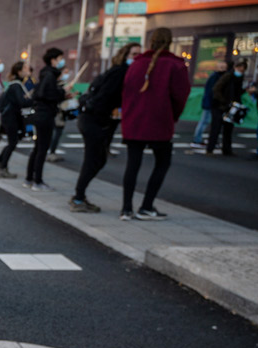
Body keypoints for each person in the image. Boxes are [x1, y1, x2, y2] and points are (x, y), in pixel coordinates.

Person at [119, 27, 189, 221]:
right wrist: (172, 116)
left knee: (132, 165)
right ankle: (147, 206)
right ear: (170, 42)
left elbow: (126, 92)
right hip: (159, 120)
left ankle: (126, 208)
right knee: (162, 162)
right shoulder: (175, 65)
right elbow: (180, 96)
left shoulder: (136, 64)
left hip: (134, 121)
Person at [70, 42, 140, 213]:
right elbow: (104, 97)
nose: (136, 58)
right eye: (134, 54)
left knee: (98, 159)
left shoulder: (117, 71)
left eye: (139, 54)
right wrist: (106, 117)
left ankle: (79, 196)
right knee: (94, 160)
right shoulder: (121, 72)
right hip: (95, 120)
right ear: (125, 55)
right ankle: (78, 198)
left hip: (94, 119)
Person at [23, 47, 69, 192]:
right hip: (45, 115)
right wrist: (62, 92)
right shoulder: (49, 75)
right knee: (42, 149)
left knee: (38, 148)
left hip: (41, 114)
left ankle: (29, 179)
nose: (62, 61)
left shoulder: (46, 74)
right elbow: (45, 94)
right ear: (53, 60)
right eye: (60, 58)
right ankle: (37, 181)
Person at [0, 60, 32, 179]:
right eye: (26, 68)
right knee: (13, 142)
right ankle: (2, 168)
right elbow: (22, 102)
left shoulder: (15, 84)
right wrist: (33, 99)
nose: (28, 70)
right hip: (11, 117)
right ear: (19, 71)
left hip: (9, 116)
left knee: (13, 141)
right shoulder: (16, 85)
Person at [206, 58, 248, 157]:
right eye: (239, 68)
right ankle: (210, 149)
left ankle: (226, 149)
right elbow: (216, 89)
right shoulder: (228, 76)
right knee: (216, 128)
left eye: (242, 70)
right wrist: (224, 101)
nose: (240, 71)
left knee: (228, 129)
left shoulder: (239, 79)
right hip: (219, 106)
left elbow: (237, 92)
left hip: (231, 107)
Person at [190, 60, 227, 149]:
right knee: (205, 121)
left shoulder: (216, 76)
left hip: (211, 103)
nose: (223, 69)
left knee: (210, 122)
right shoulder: (215, 77)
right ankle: (197, 140)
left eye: (224, 67)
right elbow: (212, 91)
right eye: (221, 67)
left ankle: (203, 139)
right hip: (210, 103)